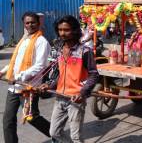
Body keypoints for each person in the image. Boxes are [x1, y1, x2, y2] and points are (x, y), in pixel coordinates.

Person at [39, 15, 100, 143]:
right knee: (54, 132)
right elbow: (62, 75)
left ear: (74, 31)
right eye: (60, 30)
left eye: (66, 30)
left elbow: (94, 75)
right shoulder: (60, 49)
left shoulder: (85, 51)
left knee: (75, 137)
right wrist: (49, 86)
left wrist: (82, 93)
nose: (63, 33)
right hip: (60, 96)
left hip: (75, 99)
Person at [0, 12, 52, 143]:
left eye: (33, 22)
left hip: (29, 87)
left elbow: (40, 65)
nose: (30, 25)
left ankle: (57, 135)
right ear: (24, 24)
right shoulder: (23, 39)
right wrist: (3, 71)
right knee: (8, 119)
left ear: (38, 23)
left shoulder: (41, 42)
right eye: (27, 23)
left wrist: (19, 76)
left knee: (32, 117)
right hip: (14, 87)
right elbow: (15, 61)